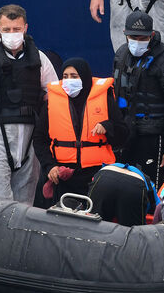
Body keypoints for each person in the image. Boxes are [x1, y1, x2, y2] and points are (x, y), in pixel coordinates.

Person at [0, 5, 57, 205]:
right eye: (6, 30)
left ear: (26, 28)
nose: (12, 34)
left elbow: (54, 95)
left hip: (30, 139)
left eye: (16, 29)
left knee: (25, 204)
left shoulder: (39, 59)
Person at [34, 57, 128, 201]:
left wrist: (108, 127)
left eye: (74, 76)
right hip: (64, 176)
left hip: (97, 174)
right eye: (65, 76)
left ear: (84, 77)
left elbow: (123, 135)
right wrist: (50, 166)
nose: (69, 80)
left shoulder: (105, 99)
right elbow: (39, 139)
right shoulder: (52, 103)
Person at [114, 10, 164, 190]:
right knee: (124, 185)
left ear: (152, 35)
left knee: (150, 187)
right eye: (133, 37)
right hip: (126, 134)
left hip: (154, 138)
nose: (137, 41)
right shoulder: (121, 54)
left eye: (143, 38)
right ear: (125, 34)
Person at [88, 163, 159, 226]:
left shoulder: (111, 166)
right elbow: (159, 208)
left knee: (92, 223)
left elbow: (93, 179)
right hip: (134, 184)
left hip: (104, 176)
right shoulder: (149, 183)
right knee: (133, 231)